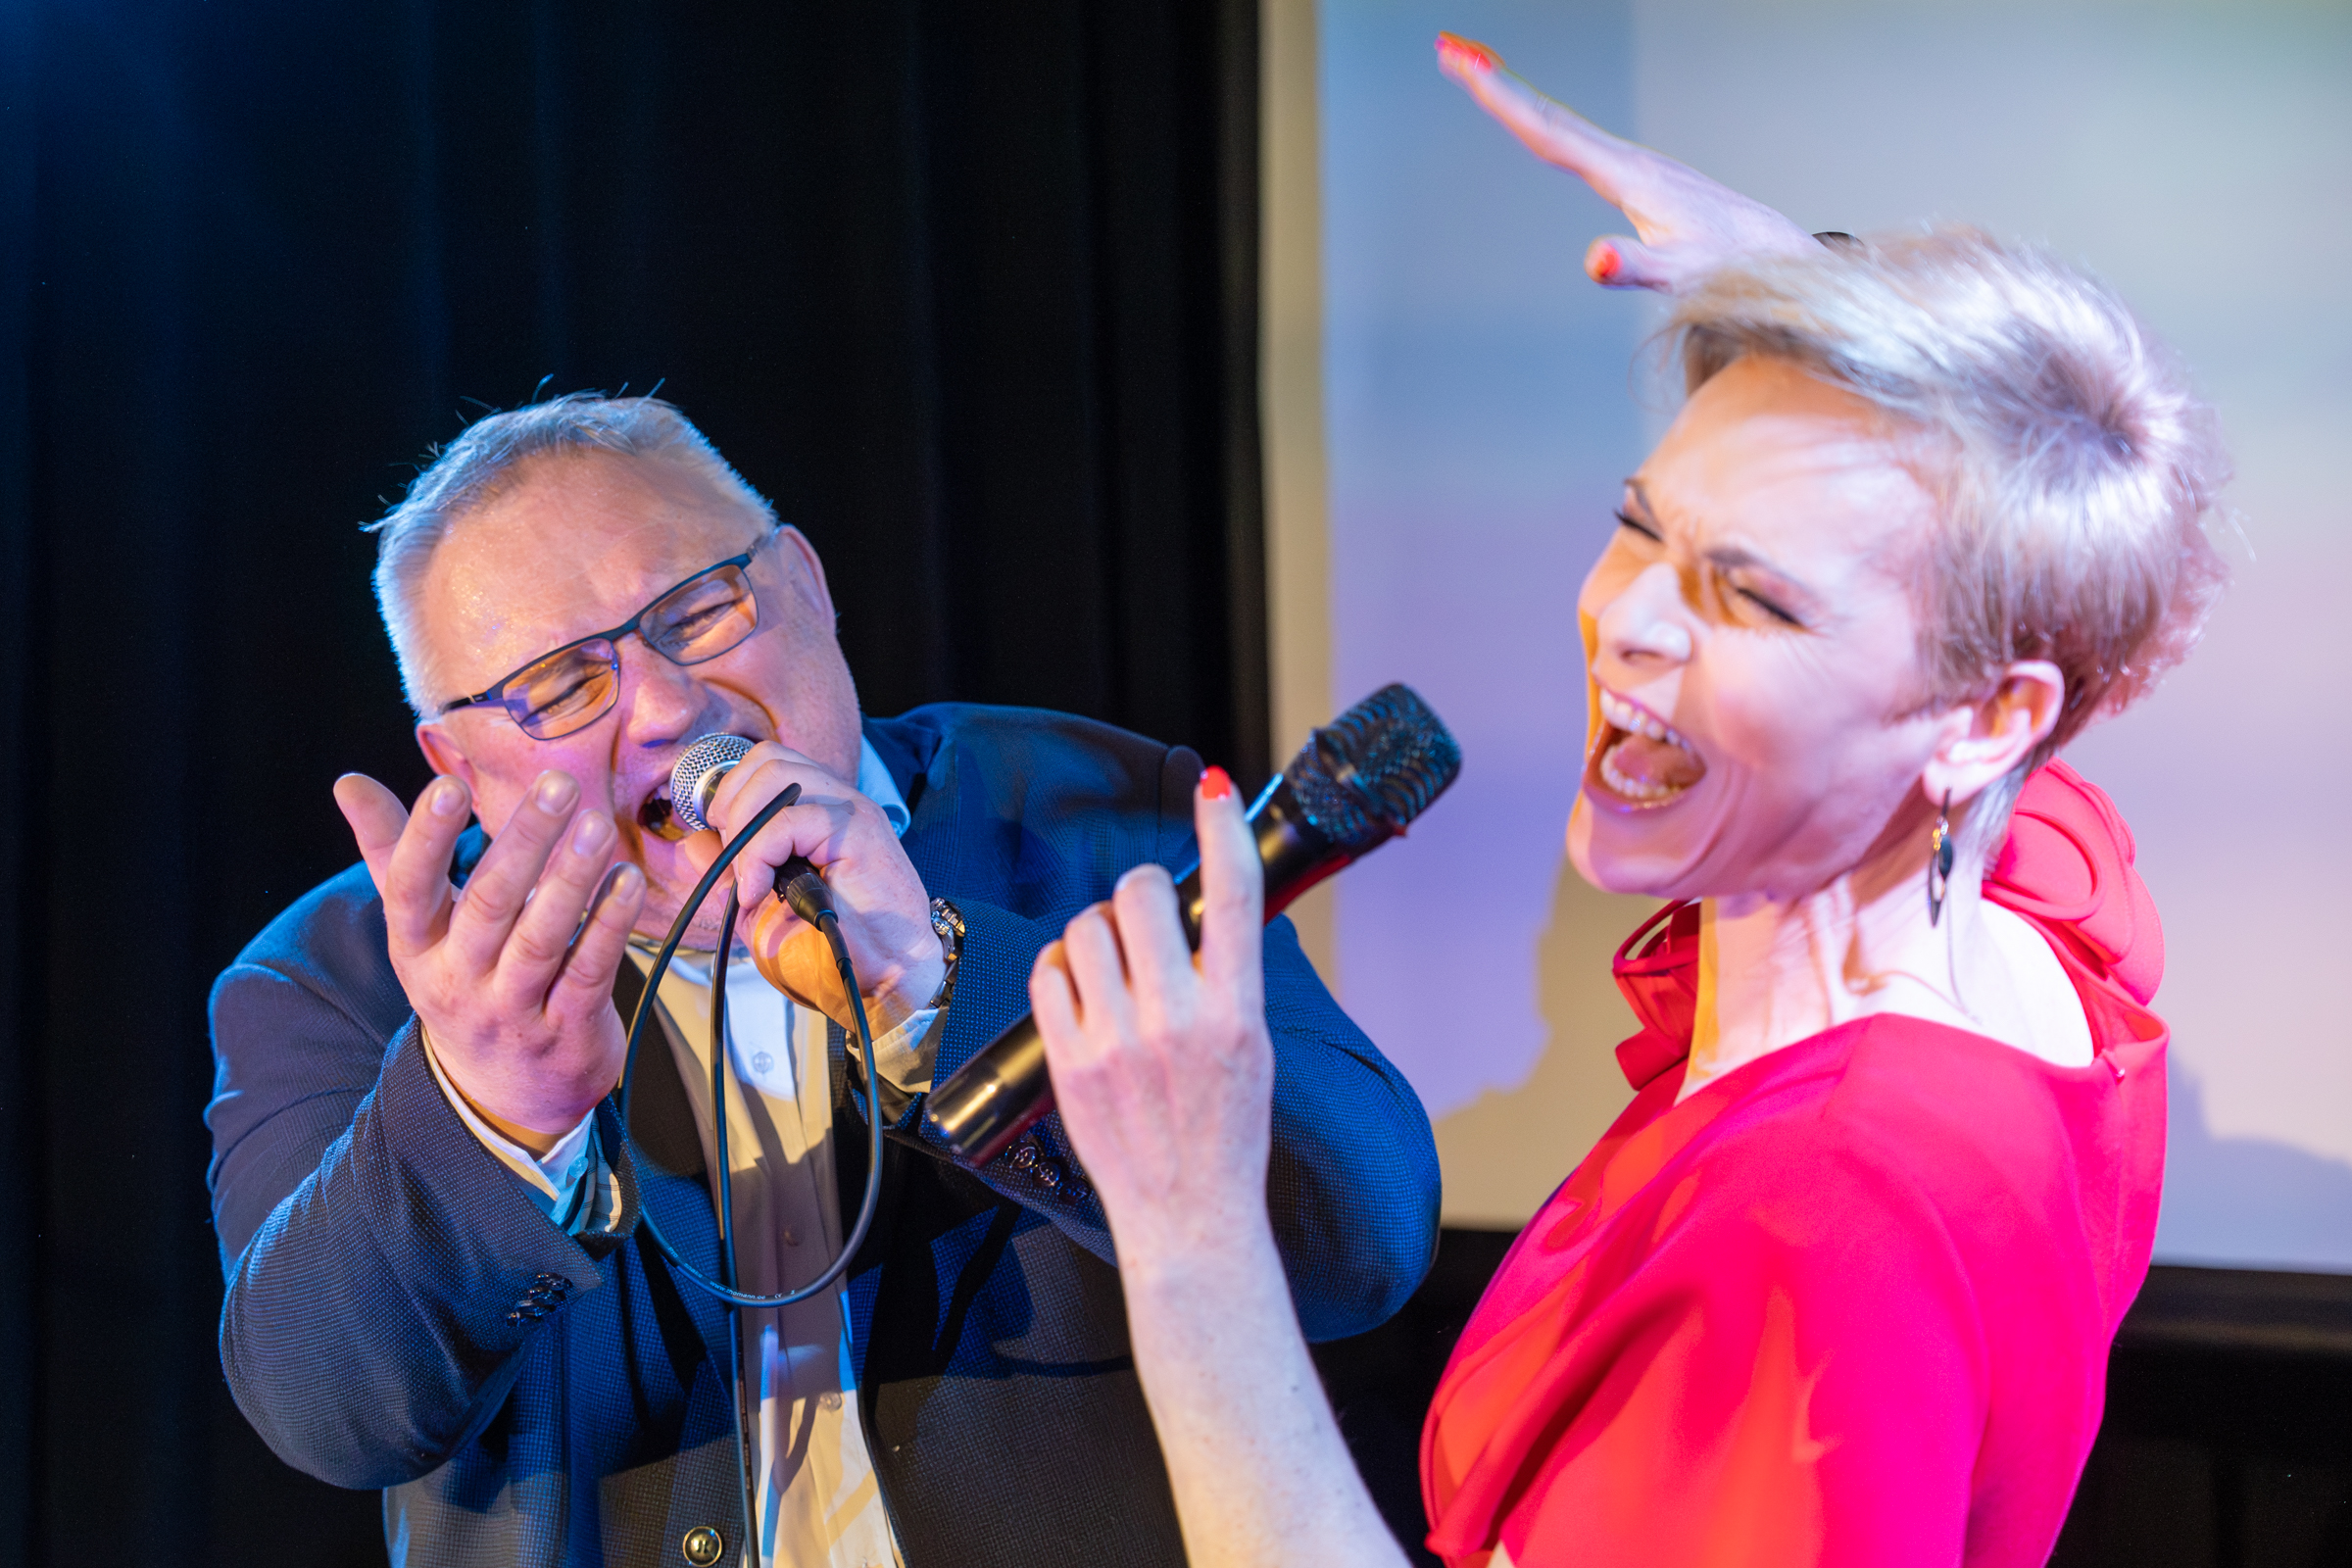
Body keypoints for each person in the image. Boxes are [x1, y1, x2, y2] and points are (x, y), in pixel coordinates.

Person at [1025, 34, 2228, 1568]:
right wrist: (1818, 304)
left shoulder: (1815, 1229)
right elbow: (2018, 609)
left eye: (1757, 596)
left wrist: (1191, 1238)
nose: (1631, 620)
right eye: (1643, 526)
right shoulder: (2043, 910)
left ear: (1986, 721)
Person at [205, 393, 1442, 1568]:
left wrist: (937, 979)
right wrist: (489, 1120)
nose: (668, 706)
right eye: (563, 687)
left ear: (807, 582)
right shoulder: (336, 979)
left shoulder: (1102, 819)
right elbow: (330, 1415)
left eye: (699, 611)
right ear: (461, 764)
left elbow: (1359, 1240)